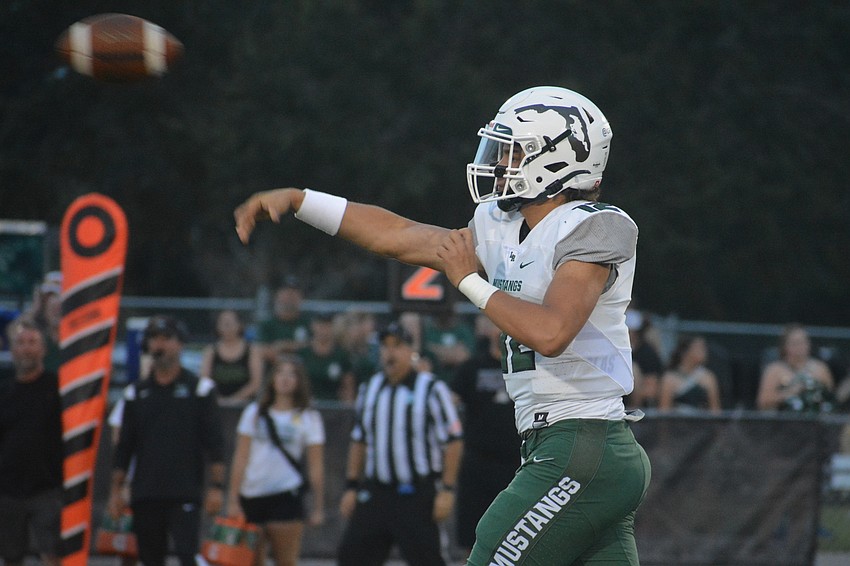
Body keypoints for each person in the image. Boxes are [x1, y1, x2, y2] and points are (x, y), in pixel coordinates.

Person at [234, 85, 651, 565]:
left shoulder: (598, 225)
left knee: (493, 546)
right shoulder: (499, 224)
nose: (498, 161)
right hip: (566, 447)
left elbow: (552, 333)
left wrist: (470, 282)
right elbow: (399, 236)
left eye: (513, 150)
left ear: (555, 159)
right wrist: (302, 200)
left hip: (584, 442)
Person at [336, 321, 463, 566]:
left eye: (397, 346)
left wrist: (447, 489)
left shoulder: (432, 388)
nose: (390, 352)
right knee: (351, 557)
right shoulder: (369, 388)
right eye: (385, 346)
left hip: (416, 494)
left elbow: (454, 440)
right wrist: (351, 485)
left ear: (410, 351)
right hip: (377, 491)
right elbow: (359, 439)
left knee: (427, 559)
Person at [107, 315, 226, 566]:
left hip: (184, 490)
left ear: (180, 344)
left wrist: (217, 487)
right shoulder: (136, 393)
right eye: (154, 339)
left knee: (187, 554)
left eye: (166, 339)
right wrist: (116, 490)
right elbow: (124, 446)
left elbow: (216, 443)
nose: (160, 345)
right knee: (150, 558)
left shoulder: (200, 390)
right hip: (146, 491)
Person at [227, 354, 325, 566]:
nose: (285, 379)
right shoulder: (253, 413)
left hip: (286, 495)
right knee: (250, 561)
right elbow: (241, 457)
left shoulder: (309, 417)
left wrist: (318, 505)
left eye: (292, 374)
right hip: (251, 494)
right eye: (280, 373)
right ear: (272, 378)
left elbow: (316, 465)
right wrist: (233, 498)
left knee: (286, 560)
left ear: (300, 381)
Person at [450, 315, 520, 558]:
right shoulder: (471, 368)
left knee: (517, 538)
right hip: (477, 462)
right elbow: (449, 405)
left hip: (516, 464)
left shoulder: (527, 367)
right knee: (472, 539)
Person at [0, 320, 63, 566]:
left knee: (52, 554)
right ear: (12, 349)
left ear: (44, 350)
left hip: (47, 487)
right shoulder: (4, 392)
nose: (26, 349)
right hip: (8, 489)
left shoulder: (57, 387)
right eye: (21, 343)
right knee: (11, 556)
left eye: (32, 342)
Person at [757, 323, 835, 413]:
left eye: (803, 342)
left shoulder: (821, 368)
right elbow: (763, 402)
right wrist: (790, 392)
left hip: (815, 421)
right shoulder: (774, 370)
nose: (800, 347)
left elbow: (831, 400)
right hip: (783, 422)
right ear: (785, 346)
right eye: (795, 343)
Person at [199, 309, 264, 405]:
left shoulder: (252, 350)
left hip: (245, 404)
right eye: (223, 323)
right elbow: (204, 380)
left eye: (230, 323)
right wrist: (217, 400)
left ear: (240, 325)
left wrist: (234, 400)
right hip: (216, 403)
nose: (227, 326)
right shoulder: (211, 350)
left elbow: (256, 383)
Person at [296, 313, 356, 404]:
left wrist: (347, 408)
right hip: (306, 405)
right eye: (320, 325)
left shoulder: (342, 355)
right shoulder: (303, 353)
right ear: (313, 326)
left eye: (327, 326)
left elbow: (348, 386)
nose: (324, 330)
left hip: (334, 406)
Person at [657, 335, 722, 413]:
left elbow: (715, 410)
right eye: (699, 348)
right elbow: (664, 411)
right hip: (677, 423)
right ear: (685, 352)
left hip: (702, 424)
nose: (704, 352)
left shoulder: (708, 377)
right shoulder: (669, 378)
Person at [258, 276, 312, 363]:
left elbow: (315, 346)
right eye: (286, 293)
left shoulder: (309, 323)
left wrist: (283, 346)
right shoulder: (267, 325)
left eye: (294, 293)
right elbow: (261, 350)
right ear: (277, 296)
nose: (290, 297)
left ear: (300, 297)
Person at [624, 307, 663, 408]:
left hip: (637, 401)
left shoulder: (648, 353)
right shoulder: (615, 349)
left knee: (634, 369)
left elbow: (652, 386)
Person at [422, 310, 476, 383]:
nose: (444, 311)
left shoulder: (463, 330)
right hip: (435, 382)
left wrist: (433, 348)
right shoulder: (427, 331)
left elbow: (463, 356)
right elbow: (425, 358)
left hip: (460, 384)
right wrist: (452, 351)